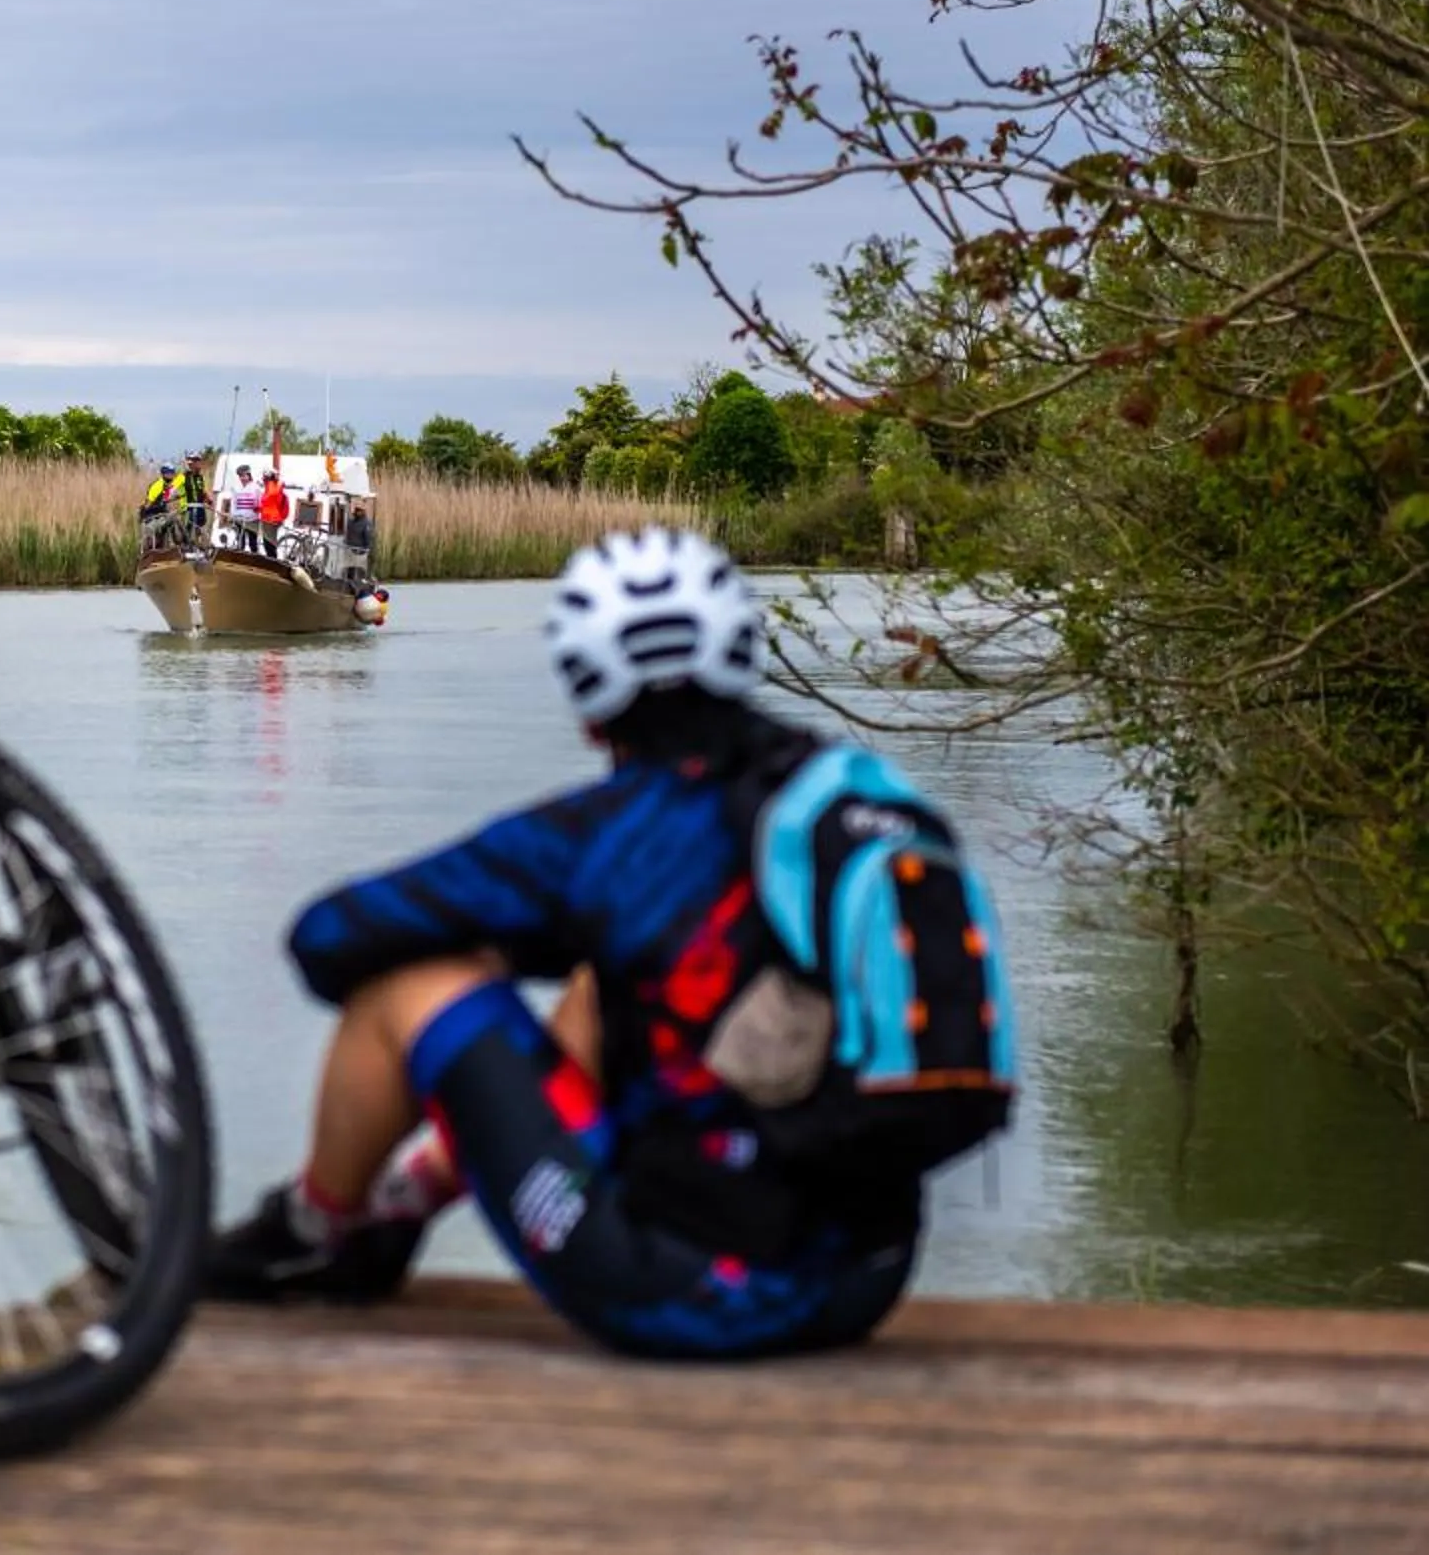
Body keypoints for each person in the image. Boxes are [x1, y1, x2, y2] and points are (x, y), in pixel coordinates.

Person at [204, 525, 1006, 1361]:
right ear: (741, 653)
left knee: (415, 993)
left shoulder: (597, 841)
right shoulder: (852, 798)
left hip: (681, 1294)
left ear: (588, 704)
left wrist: (509, 948)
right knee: (614, 974)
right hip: (862, 1284)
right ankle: (411, 1201)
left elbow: (326, 939)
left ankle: (317, 1228)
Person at [225, 465, 264, 548]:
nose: (242, 478)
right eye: (240, 476)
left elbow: (260, 503)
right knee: (240, 542)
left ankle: (254, 559)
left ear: (249, 475)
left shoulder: (256, 488)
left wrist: (259, 515)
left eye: (244, 476)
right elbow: (233, 503)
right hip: (239, 519)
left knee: (252, 543)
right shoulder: (236, 488)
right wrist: (232, 515)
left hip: (252, 520)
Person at [256, 471, 292, 553]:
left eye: (264, 477)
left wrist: (261, 509)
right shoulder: (270, 487)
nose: (262, 479)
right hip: (268, 519)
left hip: (271, 520)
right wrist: (259, 509)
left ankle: (272, 562)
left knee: (269, 545)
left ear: (268, 478)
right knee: (268, 544)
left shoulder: (273, 488)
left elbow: (271, 503)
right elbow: (269, 504)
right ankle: (271, 561)